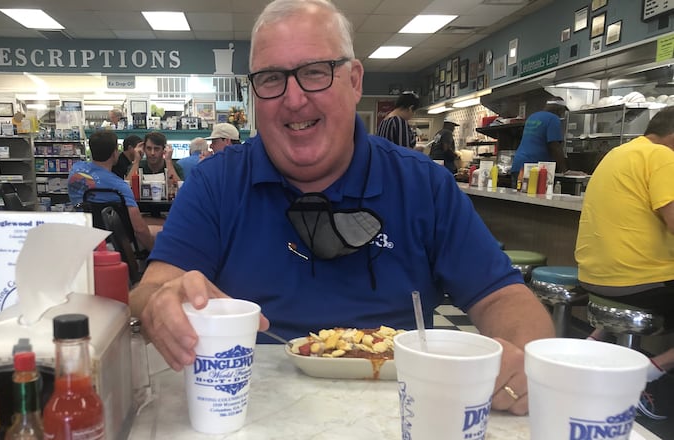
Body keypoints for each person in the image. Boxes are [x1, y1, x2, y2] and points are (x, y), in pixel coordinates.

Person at [130, 0, 554, 416]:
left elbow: (504, 298)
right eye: (272, 78)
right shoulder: (215, 183)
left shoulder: (422, 184)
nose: (294, 99)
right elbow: (152, 290)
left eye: (315, 72)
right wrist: (157, 305)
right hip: (245, 409)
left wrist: (521, 362)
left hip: (402, 410)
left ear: (354, 82)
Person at [575, 106, 674, 419]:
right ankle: (652, 373)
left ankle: (593, 346)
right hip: (637, 283)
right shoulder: (662, 157)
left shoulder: (618, 154)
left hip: (595, 279)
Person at [67, 130, 154, 251]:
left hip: (82, 239)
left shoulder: (75, 170)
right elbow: (139, 230)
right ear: (114, 153)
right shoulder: (119, 187)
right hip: (115, 245)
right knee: (156, 232)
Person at [509, 97, 569, 186]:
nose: (562, 114)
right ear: (559, 108)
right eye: (563, 111)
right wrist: (564, 170)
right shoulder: (553, 119)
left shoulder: (532, 117)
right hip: (534, 170)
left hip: (518, 165)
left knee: (518, 197)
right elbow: (554, 146)